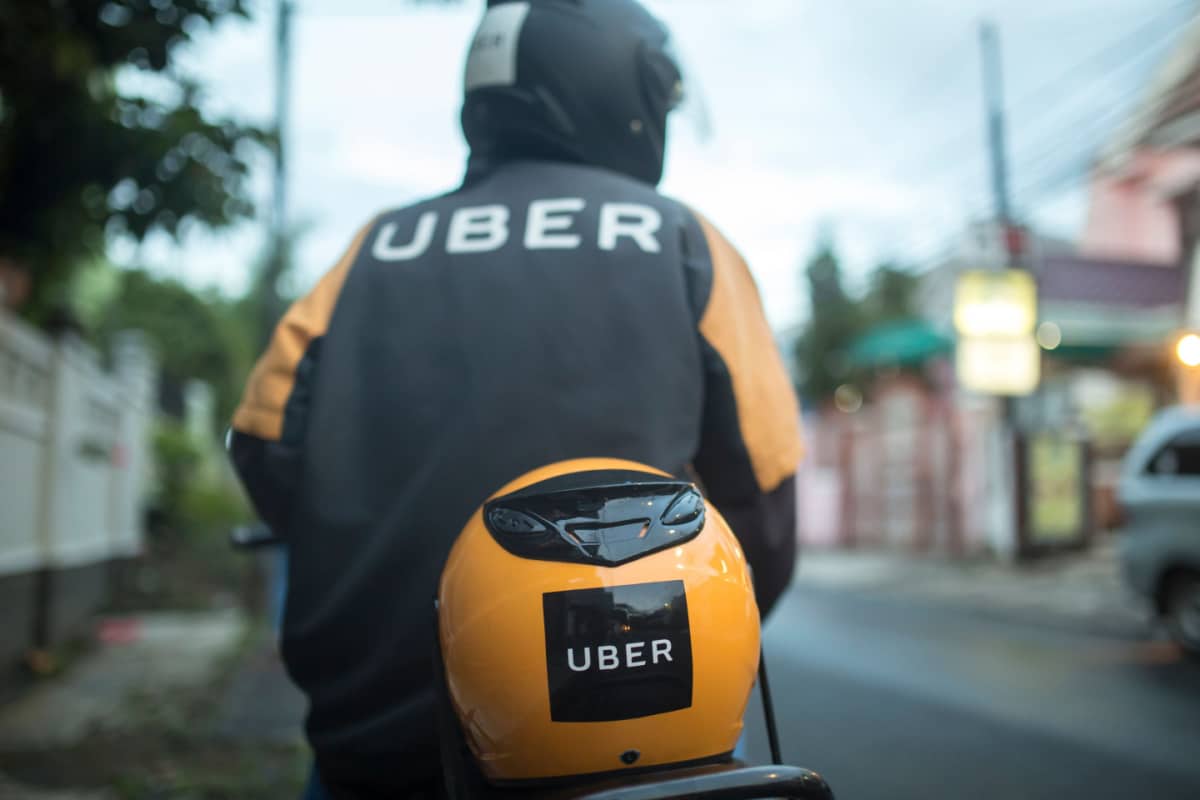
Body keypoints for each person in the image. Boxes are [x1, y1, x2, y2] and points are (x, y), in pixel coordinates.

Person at [229, 1, 803, 797]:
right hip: (629, 754)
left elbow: (262, 446)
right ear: (624, 91)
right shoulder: (682, 242)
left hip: (375, 752)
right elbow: (764, 510)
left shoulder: (374, 247)